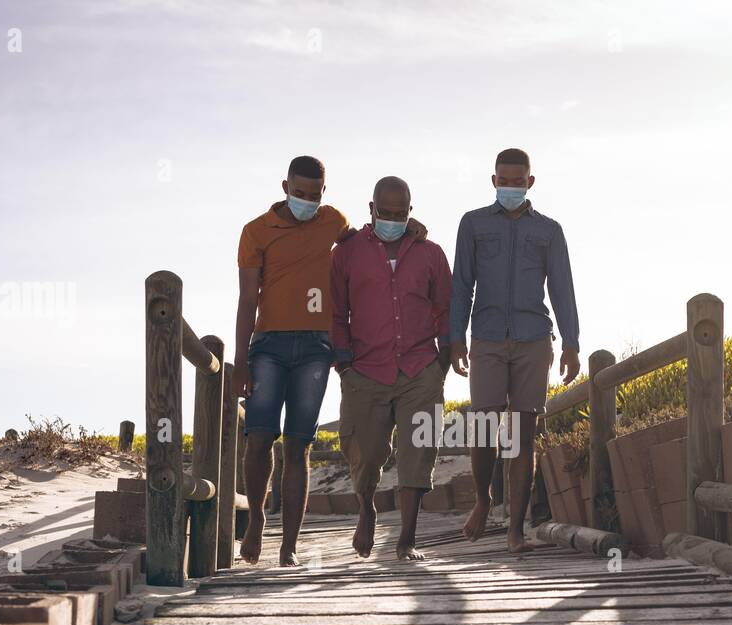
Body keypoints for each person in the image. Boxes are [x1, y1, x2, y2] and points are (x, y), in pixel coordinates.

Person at [233, 156, 426, 566]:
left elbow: (370, 240)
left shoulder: (333, 221)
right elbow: (248, 298)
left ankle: (289, 545)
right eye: (299, 193)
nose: (306, 201)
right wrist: (240, 359)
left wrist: (410, 229)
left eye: (314, 195)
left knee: (299, 445)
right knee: (259, 438)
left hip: (317, 348)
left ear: (325, 192)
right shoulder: (255, 232)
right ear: (285, 186)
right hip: (268, 344)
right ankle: (254, 524)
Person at [449, 148, 581, 552]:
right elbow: (461, 284)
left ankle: (516, 530)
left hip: (533, 339)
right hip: (486, 338)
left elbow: (562, 288)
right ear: (493, 182)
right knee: (485, 428)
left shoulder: (549, 231)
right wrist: (455, 337)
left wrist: (571, 342)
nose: (510, 187)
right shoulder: (472, 225)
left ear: (530, 182)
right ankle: (485, 500)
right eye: (503, 181)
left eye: (517, 181)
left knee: (522, 437)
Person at [331, 176, 452, 560]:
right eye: (387, 213)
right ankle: (366, 508)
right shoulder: (346, 253)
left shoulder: (431, 253)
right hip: (365, 370)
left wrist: (441, 363)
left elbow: (446, 309)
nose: (394, 220)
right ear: (371, 210)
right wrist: (344, 365)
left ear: (410, 213)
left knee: (418, 450)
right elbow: (336, 311)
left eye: (401, 214)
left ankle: (407, 539)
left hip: (420, 368)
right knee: (364, 454)